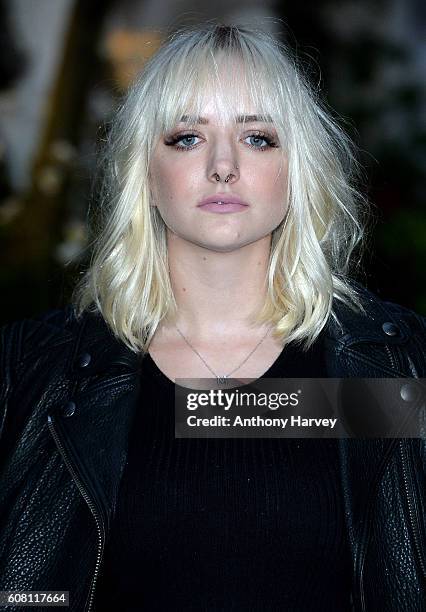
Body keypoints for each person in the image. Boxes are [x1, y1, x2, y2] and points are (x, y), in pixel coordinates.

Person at [0, 23, 425, 612]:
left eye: (257, 137)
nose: (223, 166)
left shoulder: (390, 365)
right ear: (144, 173)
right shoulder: (32, 372)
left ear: (296, 169)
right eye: (186, 138)